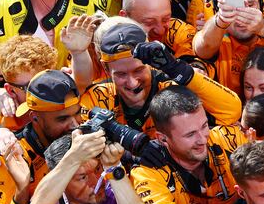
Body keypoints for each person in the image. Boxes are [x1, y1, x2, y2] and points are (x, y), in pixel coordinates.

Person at [82, 19, 241, 136]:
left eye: (138, 70)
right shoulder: (99, 97)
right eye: (121, 74)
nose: (132, 82)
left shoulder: (171, 86)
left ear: (149, 62)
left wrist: (177, 69)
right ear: (105, 67)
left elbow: (231, 111)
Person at [129, 86, 246, 204]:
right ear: (163, 139)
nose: (203, 139)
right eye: (190, 134)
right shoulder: (147, 173)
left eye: (204, 126)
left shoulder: (225, 138)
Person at [0, 68, 83, 204]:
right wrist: (21, 194)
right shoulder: (8, 158)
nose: (75, 125)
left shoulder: (84, 132)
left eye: (77, 113)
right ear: (34, 118)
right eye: (62, 119)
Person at [119, 0, 196, 60]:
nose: (160, 31)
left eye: (165, 19)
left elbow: (195, 67)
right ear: (125, 18)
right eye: (149, 23)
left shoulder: (180, 31)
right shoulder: (113, 50)